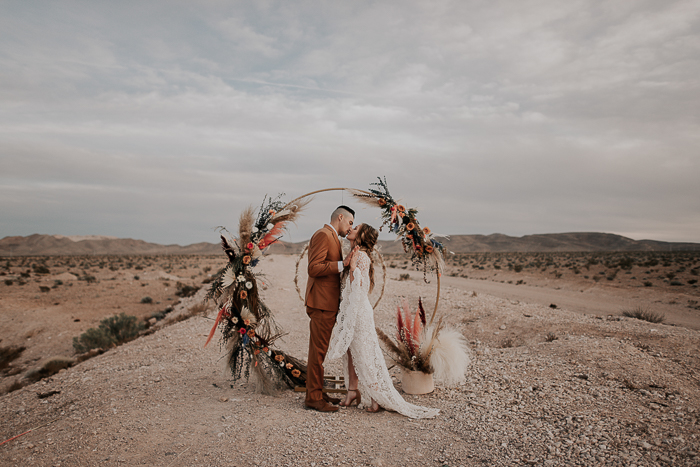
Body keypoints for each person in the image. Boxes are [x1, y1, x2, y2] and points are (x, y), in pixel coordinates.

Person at [326, 223, 439, 418]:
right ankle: (353, 391)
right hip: (352, 310)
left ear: (361, 236)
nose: (351, 229)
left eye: (356, 228)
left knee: (365, 354)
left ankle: (376, 396)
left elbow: (358, 288)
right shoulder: (355, 252)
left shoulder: (361, 257)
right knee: (352, 353)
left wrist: (352, 269)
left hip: (359, 313)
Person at [304, 205, 358, 412]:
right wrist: (342, 264)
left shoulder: (333, 237)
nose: (350, 227)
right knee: (317, 353)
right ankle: (313, 399)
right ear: (340, 217)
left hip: (327, 303)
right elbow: (313, 268)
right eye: (350, 223)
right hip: (321, 303)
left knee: (320, 352)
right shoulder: (323, 234)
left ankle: (318, 392)